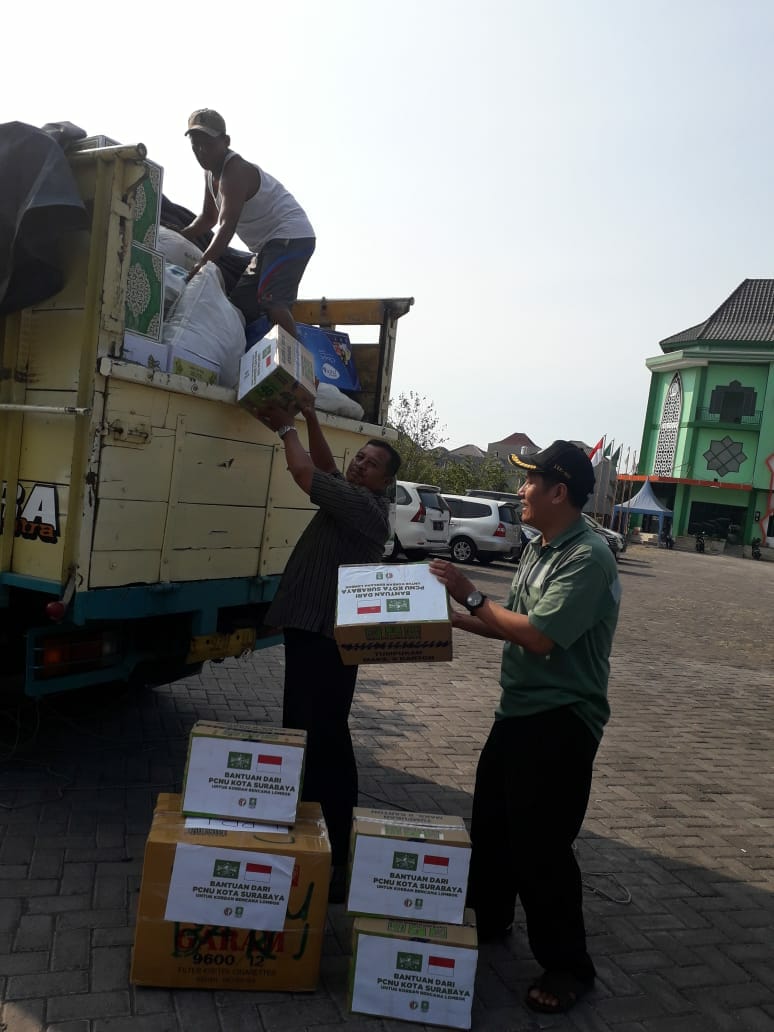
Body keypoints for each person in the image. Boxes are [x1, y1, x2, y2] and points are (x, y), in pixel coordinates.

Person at [430, 441, 620, 1016]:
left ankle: (568, 966)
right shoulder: (540, 549)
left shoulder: (587, 559)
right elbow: (516, 626)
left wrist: (470, 591)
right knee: (491, 823)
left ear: (558, 491)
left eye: (530, 481)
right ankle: (489, 919)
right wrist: (454, 620)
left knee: (542, 847)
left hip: (562, 720)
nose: (520, 491)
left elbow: (538, 637)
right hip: (518, 712)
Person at [257, 397, 400, 900]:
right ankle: (325, 844)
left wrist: (285, 428)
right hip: (317, 635)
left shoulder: (365, 508)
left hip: (324, 641)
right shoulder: (355, 495)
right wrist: (313, 419)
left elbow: (304, 473)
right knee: (322, 736)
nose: (360, 464)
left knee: (318, 739)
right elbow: (324, 468)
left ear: (386, 482)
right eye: (359, 457)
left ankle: (329, 855)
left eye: (371, 463)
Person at [180, 109, 315, 339]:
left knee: (272, 301)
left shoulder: (235, 172)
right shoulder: (210, 174)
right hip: (267, 247)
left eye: (208, 145)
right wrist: (181, 233)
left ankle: (299, 369)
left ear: (225, 141)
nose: (201, 151)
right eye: (196, 146)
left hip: (291, 237)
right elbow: (208, 218)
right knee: (239, 305)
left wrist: (202, 265)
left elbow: (225, 226)